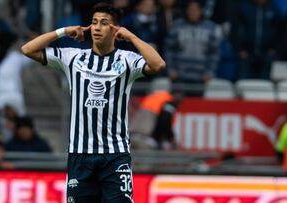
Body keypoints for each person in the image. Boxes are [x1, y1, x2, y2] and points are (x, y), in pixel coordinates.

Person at [21, 2, 166, 202]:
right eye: (94, 22)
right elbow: (28, 49)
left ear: (115, 29)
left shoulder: (127, 60)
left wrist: (131, 36)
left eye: (104, 23)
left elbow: (158, 64)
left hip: (115, 156)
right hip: (81, 156)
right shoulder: (73, 57)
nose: (97, 27)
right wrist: (63, 31)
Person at [165, 0, 220, 96]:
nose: (193, 12)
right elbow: (169, 50)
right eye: (190, 9)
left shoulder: (210, 27)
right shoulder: (177, 26)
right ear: (186, 11)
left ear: (201, 11)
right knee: (176, 105)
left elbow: (214, 53)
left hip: (200, 77)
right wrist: (171, 69)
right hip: (179, 76)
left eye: (196, 10)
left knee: (196, 106)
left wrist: (209, 71)